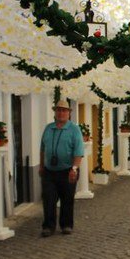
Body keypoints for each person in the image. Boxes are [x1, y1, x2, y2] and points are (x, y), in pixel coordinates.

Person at [39, 99, 84, 237]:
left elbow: (78, 151)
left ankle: (66, 225)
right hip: (49, 171)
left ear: (69, 113)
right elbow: (42, 148)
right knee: (48, 199)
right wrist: (41, 166)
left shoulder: (74, 129)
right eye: (58, 110)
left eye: (64, 110)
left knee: (67, 199)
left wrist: (74, 169)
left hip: (68, 170)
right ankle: (48, 226)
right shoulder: (48, 128)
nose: (61, 113)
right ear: (55, 112)